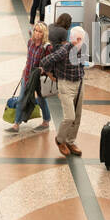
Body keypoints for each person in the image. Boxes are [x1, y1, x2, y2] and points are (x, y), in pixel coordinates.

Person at [40, 25, 87, 157]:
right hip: (66, 84)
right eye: (80, 39)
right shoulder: (64, 50)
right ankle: (60, 140)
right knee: (69, 117)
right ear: (74, 39)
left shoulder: (82, 48)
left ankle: (70, 141)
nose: (82, 41)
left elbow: (82, 63)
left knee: (77, 116)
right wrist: (51, 74)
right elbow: (45, 61)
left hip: (79, 83)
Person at [6, 22, 52, 134]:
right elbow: (29, 58)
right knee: (21, 98)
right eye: (35, 30)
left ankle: (46, 120)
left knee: (41, 100)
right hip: (27, 76)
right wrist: (24, 70)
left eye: (40, 31)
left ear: (44, 33)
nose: (36, 33)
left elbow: (50, 64)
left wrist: (42, 70)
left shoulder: (47, 47)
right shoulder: (30, 42)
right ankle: (16, 124)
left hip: (38, 79)